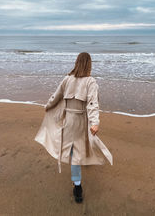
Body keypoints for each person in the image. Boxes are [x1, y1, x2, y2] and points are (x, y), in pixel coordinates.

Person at [34, 52, 113, 203]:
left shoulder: (67, 79)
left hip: (68, 121)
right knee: (78, 150)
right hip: (82, 120)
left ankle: (78, 183)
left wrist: (48, 106)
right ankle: (77, 186)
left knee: (73, 150)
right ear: (89, 64)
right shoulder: (91, 82)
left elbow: (55, 96)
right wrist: (95, 122)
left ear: (76, 63)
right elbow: (92, 104)